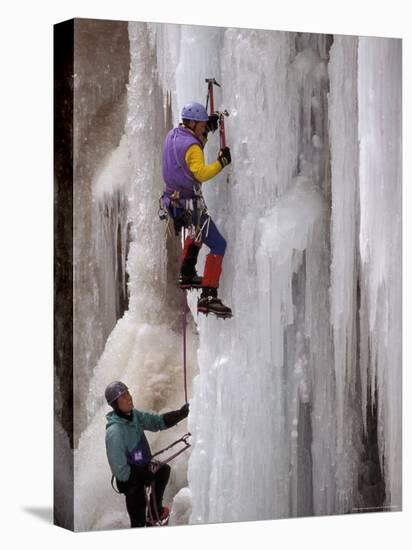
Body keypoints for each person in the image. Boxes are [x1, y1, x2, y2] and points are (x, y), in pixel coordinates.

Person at [162, 101, 232, 318]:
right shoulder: (192, 147)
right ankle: (209, 296)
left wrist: (206, 132)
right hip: (190, 205)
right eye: (201, 124)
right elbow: (199, 172)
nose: (203, 127)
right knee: (218, 244)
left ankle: (187, 273)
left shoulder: (173, 136)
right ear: (192, 123)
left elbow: (185, 157)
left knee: (197, 234)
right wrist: (221, 162)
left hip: (173, 203)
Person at [104, 381, 189, 527]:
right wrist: (142, 476)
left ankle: (154, 514)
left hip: (143, 467)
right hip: (131, 482)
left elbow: (156, 422)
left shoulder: (134, 416)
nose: (129, 398)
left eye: (128, 394)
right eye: (123, 397)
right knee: (138, 521)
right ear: (115, 404)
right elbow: (120, 471)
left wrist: (180, 414)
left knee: (163, 471)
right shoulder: (115, 432)